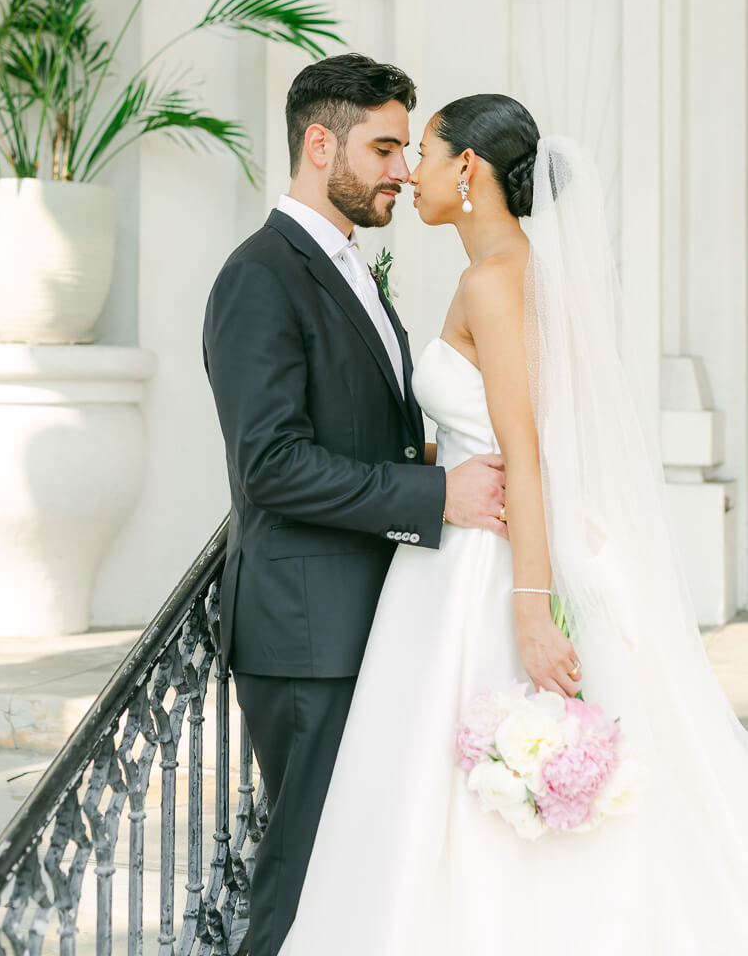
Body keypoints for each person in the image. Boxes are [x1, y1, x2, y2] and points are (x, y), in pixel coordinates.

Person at [277, 94, 748, 955]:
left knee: (448, 770)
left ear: (468, 170)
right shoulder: (524, 267)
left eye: (422, 151)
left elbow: (525, 452)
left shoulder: (492, 279)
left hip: (480, 567)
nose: (410, 171)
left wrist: (530, 605)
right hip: (468, 538)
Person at [202, 56, 508, 956]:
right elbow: (270, 465)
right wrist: (435, 494)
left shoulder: (352, 268)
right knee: (302, 876)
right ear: (318, 142)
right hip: (306, 634)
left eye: (408, 147)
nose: (403, 169)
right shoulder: (260, 275)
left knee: (357, 875)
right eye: (383, 147)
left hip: (368, 618)